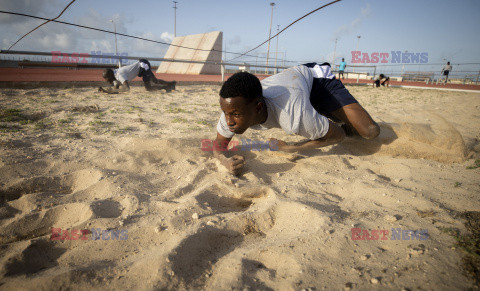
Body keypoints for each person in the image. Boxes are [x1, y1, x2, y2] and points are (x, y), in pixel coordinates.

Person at [213, 62, 380, 175]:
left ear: (258, 107)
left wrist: (291, 147)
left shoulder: (292, 116)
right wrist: (224, 161)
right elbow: (218, 146)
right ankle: (322, 117)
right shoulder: (231, 108)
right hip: (295, 88)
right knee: (315, 122)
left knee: (369, 131)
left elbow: (337, 136)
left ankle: (326, 114)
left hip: (318, 81)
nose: (229, 121)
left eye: (235, 115)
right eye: (225, 113)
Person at [98, 59, 176, 94]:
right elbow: (116, 90)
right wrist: (106, 91)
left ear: (110, 76)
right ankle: (171, 84)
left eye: (106, 78)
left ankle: (167, 87)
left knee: (148, 88)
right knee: (154, 80)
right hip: (141, 66)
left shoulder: (119, 75)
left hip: (143, 65)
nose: (106, 80)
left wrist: (110, 91)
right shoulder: (114, 77)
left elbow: (127, 88)